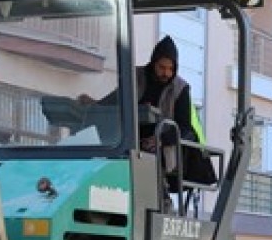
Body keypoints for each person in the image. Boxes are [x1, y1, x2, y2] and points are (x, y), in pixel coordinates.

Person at [79, 36, 214, 186]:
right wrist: (94, 106)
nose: (166, 73)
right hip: (128, 143)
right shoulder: (135, 77)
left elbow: (185, 128)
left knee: (150, 181)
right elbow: (115, 102)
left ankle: (162, 194)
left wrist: (160, 140)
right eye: (162, 67)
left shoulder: (180, 89)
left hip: (161, 150)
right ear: (153, 63)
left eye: (171, 69)